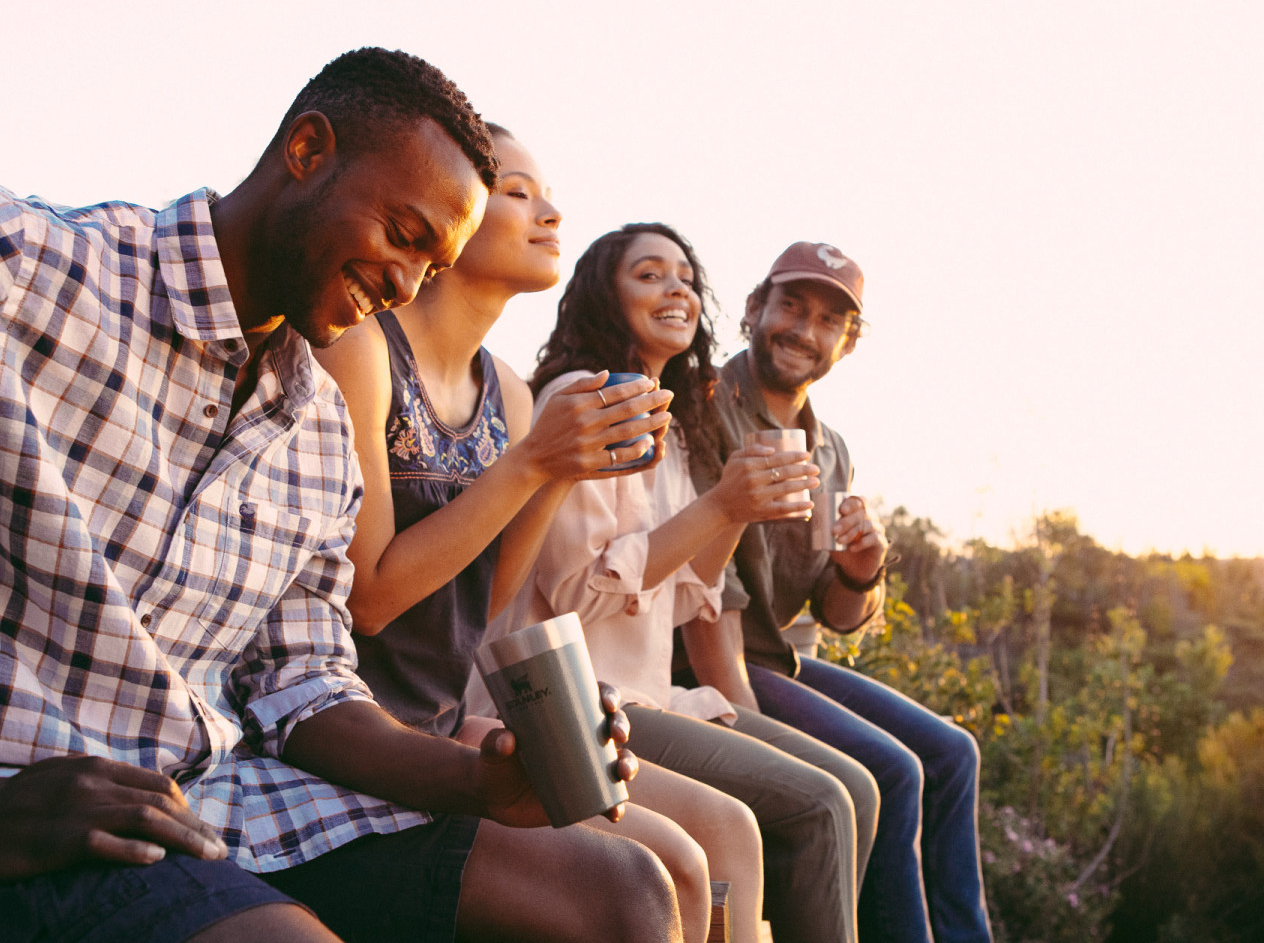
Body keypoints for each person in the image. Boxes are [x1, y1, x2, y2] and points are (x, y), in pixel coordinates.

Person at [0, 47, 680, 943]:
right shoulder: (17, 261)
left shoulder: (319, 427)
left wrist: (480, 779)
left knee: (619, 892)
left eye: (433, 268)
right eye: (404, 235)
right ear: (306, 150)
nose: (407, 285)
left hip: (202, 800)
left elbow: (304, 687)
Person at [316, 124, 761, 943]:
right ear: (452, 210)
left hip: (446, 716)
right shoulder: (365, 350)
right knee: (640, 885)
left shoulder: (512, 394)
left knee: (699, 860)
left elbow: (488, 599)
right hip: (356, 728)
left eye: (545, 193)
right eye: (518, 193)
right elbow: (370, 599)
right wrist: (531, 464)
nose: (551, 213)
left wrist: (557, 468)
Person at [477, 222, 882, 943]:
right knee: (819, 801)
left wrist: (732, 509)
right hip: (577, 694)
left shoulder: (678, 425)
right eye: (649, 275)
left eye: (686, 279)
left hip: (652, 691)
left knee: (858, 786)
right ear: (607, 295)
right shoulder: (583, 399)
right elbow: (577, 590)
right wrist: (723, 505)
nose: (676, 290)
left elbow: (693, 588)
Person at [681, 241, 993, 943]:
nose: (804, 330)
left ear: (847, 345)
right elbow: (707, 601)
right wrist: (744, 722)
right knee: (893, 770)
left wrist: (862, 569)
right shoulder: (706, 409)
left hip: (779, 654)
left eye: (829, 320)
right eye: (791, 305)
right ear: (756, 308)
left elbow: (836, 613)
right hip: (700, 654)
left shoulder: (830, 449)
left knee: (953, 753)